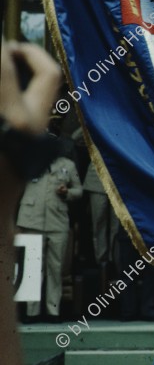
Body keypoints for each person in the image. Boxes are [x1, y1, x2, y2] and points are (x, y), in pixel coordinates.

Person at [0, 39, 63, 365]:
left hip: (55, 219)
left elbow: (76, 189)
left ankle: (49, 311)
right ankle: (35, 311)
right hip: (30, 217)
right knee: (29, 272)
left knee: (49, 269)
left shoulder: (64, 163)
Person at [17, 148, 83, 323]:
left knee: (55, 267)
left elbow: (79, 190)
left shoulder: (68, 165)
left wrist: (67, 192)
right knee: (32, 268)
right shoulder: (29, 161)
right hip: (32, 220)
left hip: (57, 220)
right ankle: (31, 312)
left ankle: (53, 311)